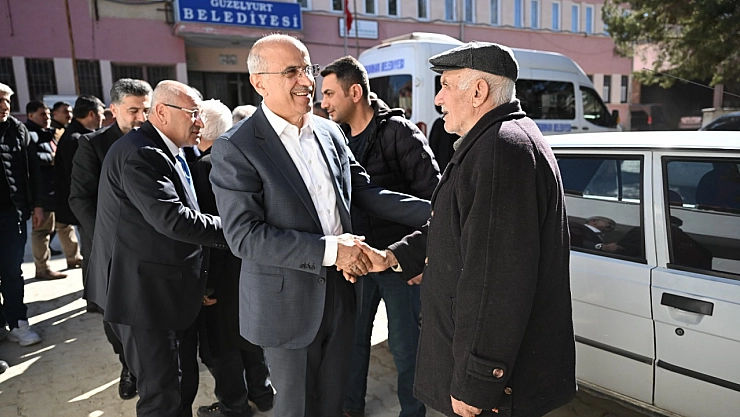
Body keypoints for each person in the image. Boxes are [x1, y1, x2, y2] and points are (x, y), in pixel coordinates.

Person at [209, 34, 430, 417]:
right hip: (288, 304)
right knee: (297, 408)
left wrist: (438, 211)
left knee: (333, 401)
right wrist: (333, 251)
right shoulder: (237, 146)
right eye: (291, 72)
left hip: (343, 293)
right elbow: (245, 236)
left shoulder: (329, 132)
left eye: (307, 69)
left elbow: (365, 193)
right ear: (259, 83)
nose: (306, 81)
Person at [357, 42, 576, 417]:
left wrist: (478, 381)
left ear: (478, 92)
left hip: (495, 389)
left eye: (445, 85)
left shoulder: (500, 150)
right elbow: (457, 226)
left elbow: (496, 281)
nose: (438, 98)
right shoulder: (497, 140)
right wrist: (394, 257)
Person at [86, 80, 227, 417]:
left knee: (182, 386)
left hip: (169, 291)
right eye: (193, 114)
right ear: (162, 112)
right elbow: (174, 220)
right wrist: (238, 229)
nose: (200, 122)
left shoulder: (169, 149)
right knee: (162, 396)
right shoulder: (142, 153)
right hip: (144, 298)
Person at [320, 55, 439, 417]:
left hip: (398, 265)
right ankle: (350, 408)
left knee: (406, 349)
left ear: (355, 92)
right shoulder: (336, 138)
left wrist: (417, 258)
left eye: (329, 94)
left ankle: (412, 413)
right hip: (357, 262)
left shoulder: (399, 133)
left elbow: (434, 201)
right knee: (353, 342)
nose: (323, 103)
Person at [69, 78, 153, 400]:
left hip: (151, 248)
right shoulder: (93, 145)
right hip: (109, 249)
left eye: (146, 110)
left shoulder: (156, 140)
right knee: (115, 317)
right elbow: (80, 199)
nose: (141, 118)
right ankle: (128, 365)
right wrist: (110, 236)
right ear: (113, 110)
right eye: (133, 111)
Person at [190, 99, 275, 417]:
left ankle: (234, 406)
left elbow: (205, 230)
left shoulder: (203, 167)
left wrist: (206, 284)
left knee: (220, 347)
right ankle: (262, 394)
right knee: (250, 337)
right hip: (251, 267)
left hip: (221, 276)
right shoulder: (245, 158)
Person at [0, 83, 44, 346]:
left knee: (11, 272)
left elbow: (33, 171)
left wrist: (37, 205)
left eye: (7, 100)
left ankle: (18, 323)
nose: (5, 106)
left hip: (11, 214)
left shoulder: (18, 130)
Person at [25, 100, 81, 280]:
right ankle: (42, 268)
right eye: (42, 114)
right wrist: (51, 158)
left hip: (57, 189)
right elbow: (31, 161)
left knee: (65, 225)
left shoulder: (50, 134)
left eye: (48, 114)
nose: (47, 118)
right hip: (42, 191)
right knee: (42, 231)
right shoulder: (29, 135)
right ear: (30, 115)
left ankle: (73, 257)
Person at [54, 95, 105, 262]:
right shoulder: (76, 140)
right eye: (101, 113)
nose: (103, 118)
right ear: (91, 114)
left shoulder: (79, 135)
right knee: (92, 255)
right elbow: (78, 179)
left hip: (86, 205)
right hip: (86, 207)